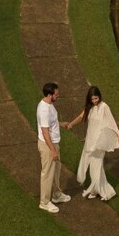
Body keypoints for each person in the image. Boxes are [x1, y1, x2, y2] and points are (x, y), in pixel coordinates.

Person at [66, 85, 119, 201]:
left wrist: (118, 136)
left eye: (96, 98)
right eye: (92, 99)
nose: (94, 101)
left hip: (99, 142)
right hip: (89, 140)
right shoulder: (89, 107)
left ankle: (98, 190)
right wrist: (71, 124)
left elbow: (111, 122)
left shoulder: (104, 107)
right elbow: (81, 117)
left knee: (96, 166)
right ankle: (98, 190)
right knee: (94, 166)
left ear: (99, 97)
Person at [36, 81, 70, 213]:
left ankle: (56, 195)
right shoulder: (44, 110)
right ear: (50, 95)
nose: (58, 95)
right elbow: (45, 133)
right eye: (56, 94)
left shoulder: (49, 105)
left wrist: (61, 124)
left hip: (53, 143)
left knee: (56, 170)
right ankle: (44, 202)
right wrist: (52, 150)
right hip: (48, 145)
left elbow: (51, 123)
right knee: (47, 173)